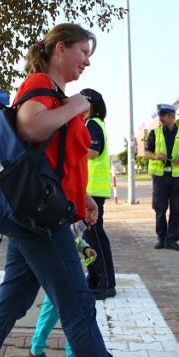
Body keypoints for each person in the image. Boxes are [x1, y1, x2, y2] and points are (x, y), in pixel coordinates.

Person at [0, 23, 139, 357]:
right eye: (83, 52)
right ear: (60, 49)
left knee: (11, 303)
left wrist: (83, 197)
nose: (87, 62)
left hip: (34, 216)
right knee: (79, 308)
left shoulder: (56, 93)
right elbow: (30, 126)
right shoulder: (41, 86)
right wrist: (76, 105)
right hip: (41, 223)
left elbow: (55, 162)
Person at [27, 222, 97, 357]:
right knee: (76, 314)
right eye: (90, 209)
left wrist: (84, 248)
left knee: (50, 311)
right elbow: (63, 233)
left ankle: (35, 351)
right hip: (62, 270)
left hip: (56, 270)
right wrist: (83, 223)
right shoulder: (66, 205)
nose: (94, 214)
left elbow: (70, 237)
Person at [80, 88, 117, 300]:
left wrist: (71, 148)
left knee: (95, 237)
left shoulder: (92, 123)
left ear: (90, 104)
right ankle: (94, 278)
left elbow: (94, 151)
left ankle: (106, 283)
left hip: (93, 190)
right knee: (89, 237)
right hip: (91, 190)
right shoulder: (91, 123)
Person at [144, 104, 179, 251]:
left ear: (172, 116)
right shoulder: (155, 133)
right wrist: (156, 156)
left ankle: (172, 239)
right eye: (160, 115)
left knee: (176, 208)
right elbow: (147, 152)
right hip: (160, 177)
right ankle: (161, 238)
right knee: (160, 208)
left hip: (177, 177)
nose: (160, 118)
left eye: (163, 115)